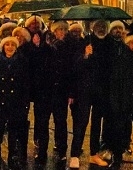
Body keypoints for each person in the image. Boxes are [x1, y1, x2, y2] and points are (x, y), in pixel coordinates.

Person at [30, 21, 70, 165]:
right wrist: (36, 46)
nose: (62, 32)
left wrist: (70, 92)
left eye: (64, 30)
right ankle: (42, 152)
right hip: (44, 91)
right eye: (59, 30)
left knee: (61, 123)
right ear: (54, 31)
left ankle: (62, 150)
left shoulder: (67, 46)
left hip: (60, 91)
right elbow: (36, 64)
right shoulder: (44, 43)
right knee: (42, 123)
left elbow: (70, 71)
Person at [0, 37, 30, 170]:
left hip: (16, 102)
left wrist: (25, 103)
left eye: (12, 45)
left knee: (14, 130)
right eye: (7, 45)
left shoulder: (22, 63)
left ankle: (12, 155)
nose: (10, 47)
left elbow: (25, 85)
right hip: (0, 102)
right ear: (3, 47)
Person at [108, 32, 133, 169]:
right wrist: (115, 101)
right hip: (123, 101)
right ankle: (117, 157)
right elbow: (114, 82)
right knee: (119, 131)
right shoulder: (120, 60)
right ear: (128, 43)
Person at [86, 20, 115, 166]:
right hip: (94, 89)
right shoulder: (88, 41)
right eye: (99, 26)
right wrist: (87, 55)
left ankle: (107, 149)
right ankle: (93, 152)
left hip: (109, 88)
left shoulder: (112, 43)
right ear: (93, 27)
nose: (101, 29)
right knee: (95, 122)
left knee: (109, 122)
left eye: (104, 26)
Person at [66, 22, 94, 169]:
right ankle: (74, 154)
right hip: (78, 91)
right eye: (74, 31)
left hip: (92, 91)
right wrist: (85, 55)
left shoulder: (91, 41)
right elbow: (72, 69)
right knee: (79, 122)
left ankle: (83, 152)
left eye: (79, 31)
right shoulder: (74, 45)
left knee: (85, 123)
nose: (76, 33)